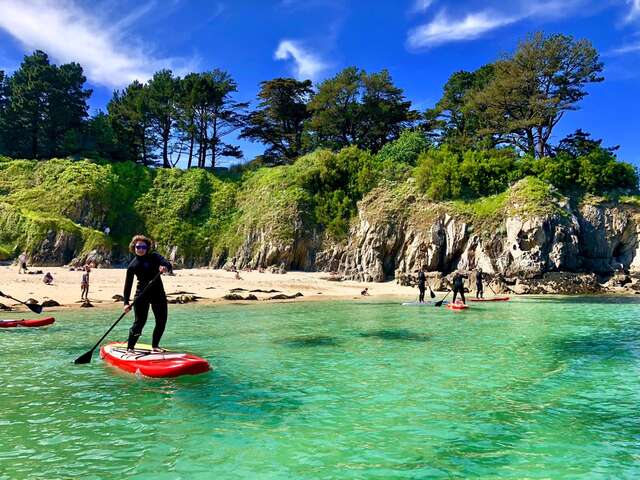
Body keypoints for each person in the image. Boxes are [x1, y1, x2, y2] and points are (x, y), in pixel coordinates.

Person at [123, 235, 172, 353]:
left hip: (158, 294)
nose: (141, 249)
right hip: (141, 295)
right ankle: (130, 348)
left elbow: (167, 264)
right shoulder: (132, 265)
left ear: (147, 247)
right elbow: (128, 286)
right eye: (138, 246)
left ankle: (155, 346)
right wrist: (126, 303)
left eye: (143, 247)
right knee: (140, 322)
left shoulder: (154, 257)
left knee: (161, 320)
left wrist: (165, 268)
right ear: (134, 247)